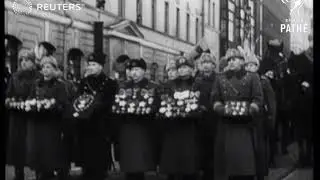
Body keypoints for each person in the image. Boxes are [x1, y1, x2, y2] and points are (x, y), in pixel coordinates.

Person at [211, 48, 263, 180]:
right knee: (227, 165)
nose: (231, 62)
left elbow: (258, 98)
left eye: (234, 59)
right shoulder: (220, 78)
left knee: (245, 163)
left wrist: (251, 109)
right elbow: (215, 98)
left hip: (245, 126)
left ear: (242, 61)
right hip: (226, 125)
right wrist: (220, 109)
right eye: (229, 60)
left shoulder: (253, 77)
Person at [71, 52, 118, 180]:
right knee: (85, 153)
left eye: (93, 64)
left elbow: (111, 102)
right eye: (89, 64)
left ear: (101, 66)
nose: (90, 67)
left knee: (99, 157)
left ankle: (100, 172)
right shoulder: (84, 82)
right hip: (85, 124)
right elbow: (77, 99)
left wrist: (97, 107)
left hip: (101, 124)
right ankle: (86, 170)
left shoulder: (110, 83)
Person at [112, 58, 160, 180]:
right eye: (132, 69)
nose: (134, 73)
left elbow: (156, 106)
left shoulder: (152, 86)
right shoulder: (123, 86)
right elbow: (117, 103)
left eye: (137, 69)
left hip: (143, 128)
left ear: (144, 71)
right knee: (128, 162)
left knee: (140, 162)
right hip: (127, 127)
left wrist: (148, 110)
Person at [26, 56, 69, 180]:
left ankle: (49, 174)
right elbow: (30, 98)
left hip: (52, 124)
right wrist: (31, 105)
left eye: (48, 67)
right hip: (37, 123)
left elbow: (64, 104)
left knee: (49, 153)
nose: (45, 70)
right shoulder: (36, 84)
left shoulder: (59, 85)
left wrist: (52, 106)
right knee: (37, 151)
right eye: (43, 67)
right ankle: (39, 173)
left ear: (54, 69)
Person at [159, 56, 201, 180]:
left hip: (190, 127)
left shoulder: (197, 83)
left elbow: (202, 102)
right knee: (173, 161)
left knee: (189, 162)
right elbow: (164, 100)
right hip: (173, 126)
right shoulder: (171, 84)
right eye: (179, 68)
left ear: (191, 69)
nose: (182, 70)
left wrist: (196, 110)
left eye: (185, 67)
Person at [6, 49, 41, 180]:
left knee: (35, 145)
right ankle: (18, 173)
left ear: (33, 62)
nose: (24, 62)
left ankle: (39, 173)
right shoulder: (15, 76)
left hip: (34, 116)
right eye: (21, 60)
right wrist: (11, 102)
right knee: (18, 146)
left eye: (27, 60)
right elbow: (8, 95)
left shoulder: (39, 76)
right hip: (18, 117)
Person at [244, 54, 276, 178]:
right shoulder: (243, 80)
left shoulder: (263, 81)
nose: (249, 67)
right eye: (247, 65)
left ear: (257, 67)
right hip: (247, 118)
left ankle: (261, 173)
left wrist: (270, 119)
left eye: (252, 65)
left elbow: (271, 102)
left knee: (260, 148)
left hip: (260, 119)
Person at [194, 52, 218, 180]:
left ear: (214, 65)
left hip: (214, 120)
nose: (206, 66)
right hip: (200, 120)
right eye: (203, 63)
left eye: (209, 63)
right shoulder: (197, 81)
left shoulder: (218, 79)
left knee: (213, 150)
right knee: (201, 148)